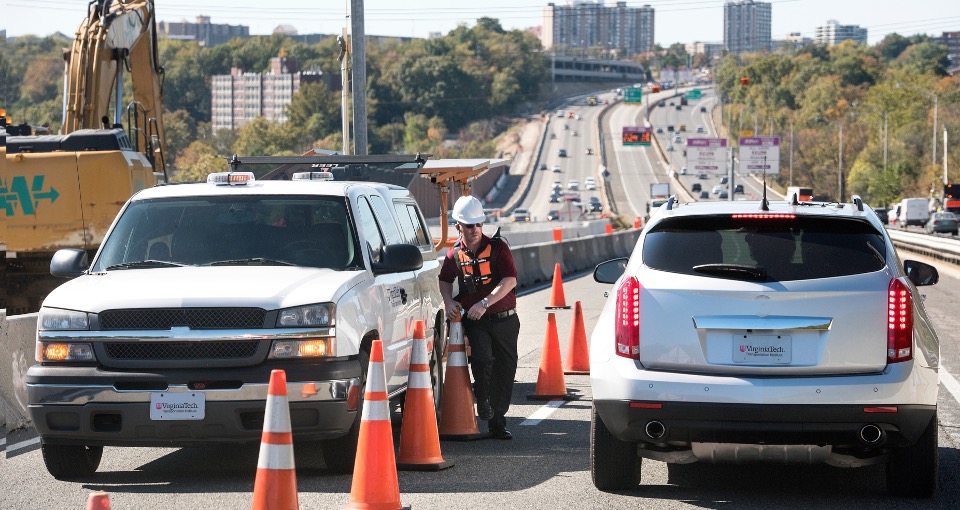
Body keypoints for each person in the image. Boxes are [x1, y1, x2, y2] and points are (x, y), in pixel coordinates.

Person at [438, 196, 520, 440]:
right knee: (483, 360)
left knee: (505, 371)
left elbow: (510, 280)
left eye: (477, 225)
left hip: (505, 319)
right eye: (468, 225)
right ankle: (482, 399)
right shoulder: (454, 255)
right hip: (477, 323)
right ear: (458, 227)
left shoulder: (498, 248)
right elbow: (444, 280)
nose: (474, 230)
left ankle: (497, 422)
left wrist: (485, 303)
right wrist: (449, 301)